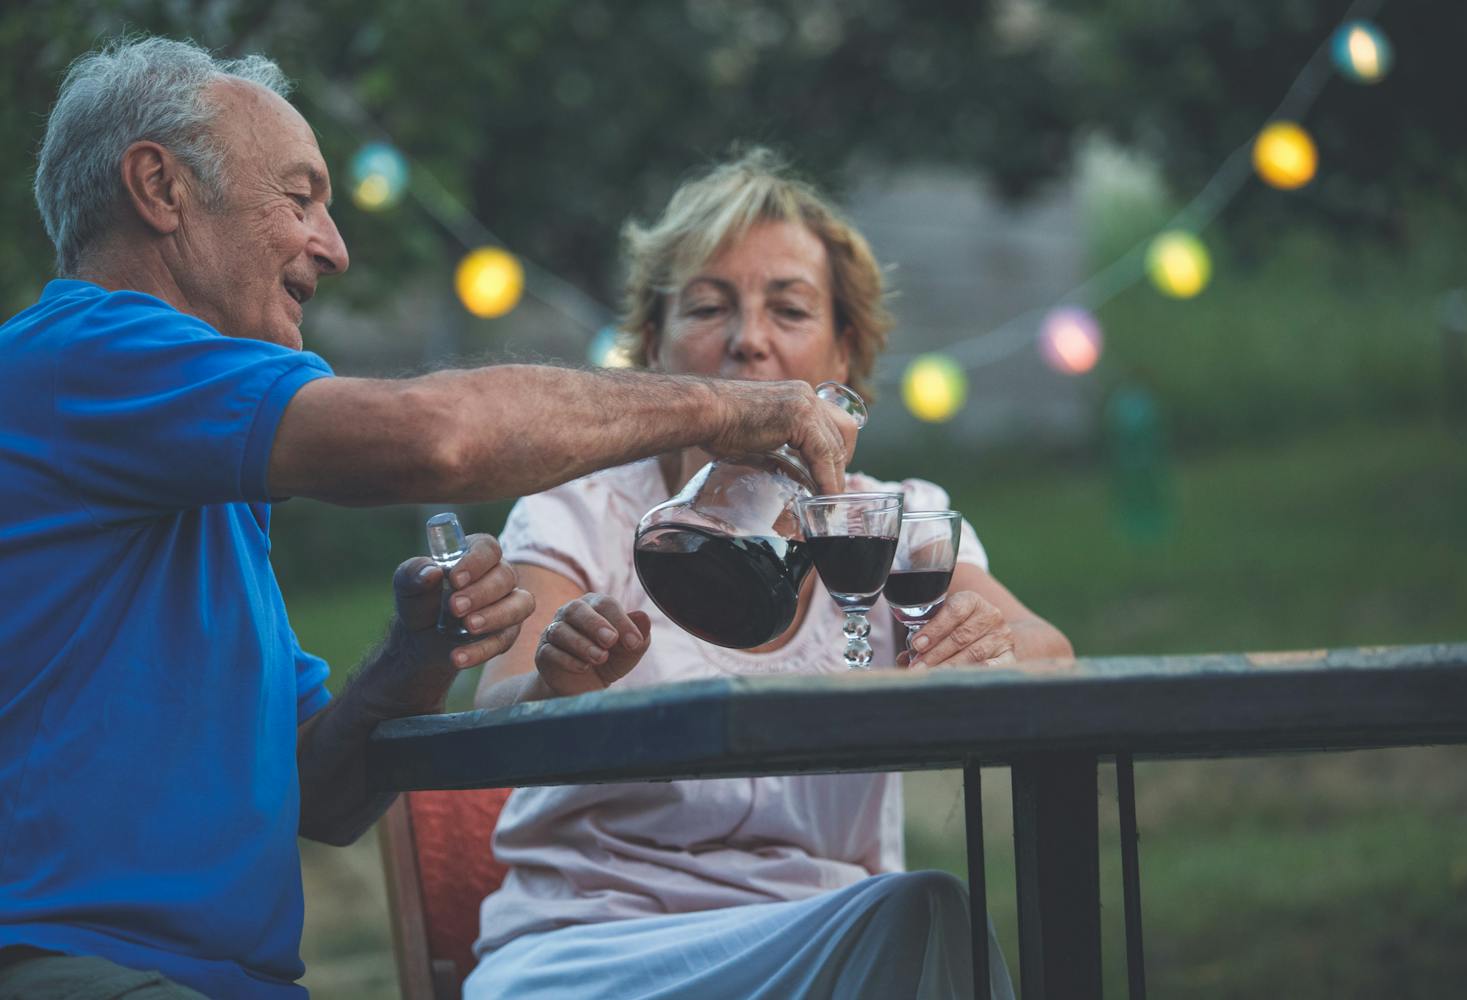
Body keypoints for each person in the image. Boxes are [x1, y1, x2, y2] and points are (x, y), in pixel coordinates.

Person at [0, 39, 859, 1000]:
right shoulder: (84, 358)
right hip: (67, 965)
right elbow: (436, 438)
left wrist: (415, 658)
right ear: (160, 188)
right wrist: (734, 407)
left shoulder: (195, 472)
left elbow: (321, 795)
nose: (333, 244)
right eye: (299, 196)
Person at [467, 149, 1074, 999]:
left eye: (788, 309)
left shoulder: (890, 519)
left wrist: (995, 644)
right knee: (923, 919)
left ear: (845, 350)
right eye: (710, 306)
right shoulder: (583, 507)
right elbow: (492, 708)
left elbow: (1052, 652)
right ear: (649, 344)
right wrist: (550, 681)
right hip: (602, 942)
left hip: (830, 941)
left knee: (919, 912)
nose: (749, 340)